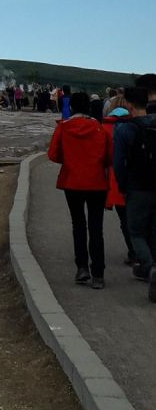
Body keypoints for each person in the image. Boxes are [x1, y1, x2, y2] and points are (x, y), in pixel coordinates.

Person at [48, 90, 111, 287]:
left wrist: (69, 163)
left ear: (72, 107)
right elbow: (109, 157)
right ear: (90, 109)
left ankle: (82, 268)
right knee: (96, 227)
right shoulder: (100, 129)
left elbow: (53, 154)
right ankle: (98, 275)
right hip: (96, 184)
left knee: (78, 224)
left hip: (72, 183)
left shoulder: (64, 128)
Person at [112, 83, 156, 295]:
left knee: (136, 232)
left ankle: (151, 268)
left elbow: (118, 163)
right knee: (154, 232)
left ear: (128, 104)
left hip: (137, 187)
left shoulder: (125, 129)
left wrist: (122, 185)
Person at [104, 94, 135, 265]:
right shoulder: (137, 125)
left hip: (117, 181)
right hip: (141, 180)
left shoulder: (106, 127)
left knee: (125, 219)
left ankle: (134, 252)